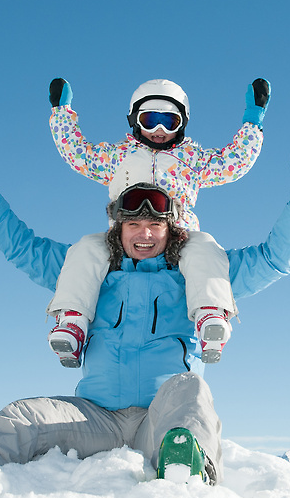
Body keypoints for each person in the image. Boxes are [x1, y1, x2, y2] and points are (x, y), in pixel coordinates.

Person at [0, 133, 290, 488]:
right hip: (95, 418)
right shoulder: (88, 271)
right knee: (24, 414)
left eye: (155, 225)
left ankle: (189, 472)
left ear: (171, 229)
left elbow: (272, 259)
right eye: (133, 224)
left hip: (161, 422)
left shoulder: (195, 275)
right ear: (117, 228)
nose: (144, 234)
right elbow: (20, 246)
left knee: (191, 391)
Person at [45, 77, 270, 366]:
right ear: (134, 121)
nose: (159, 130)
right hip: (123, 240)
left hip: (179, 236)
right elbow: (79, 154)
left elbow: (233, 163)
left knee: (204, 247)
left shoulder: (191, 158)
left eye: (169, 121)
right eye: (150, 120)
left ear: (182, 124)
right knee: (87, 248)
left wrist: (253, 120)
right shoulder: (118, 156)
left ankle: (210, 314)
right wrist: (61, 113)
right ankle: (72, 321)